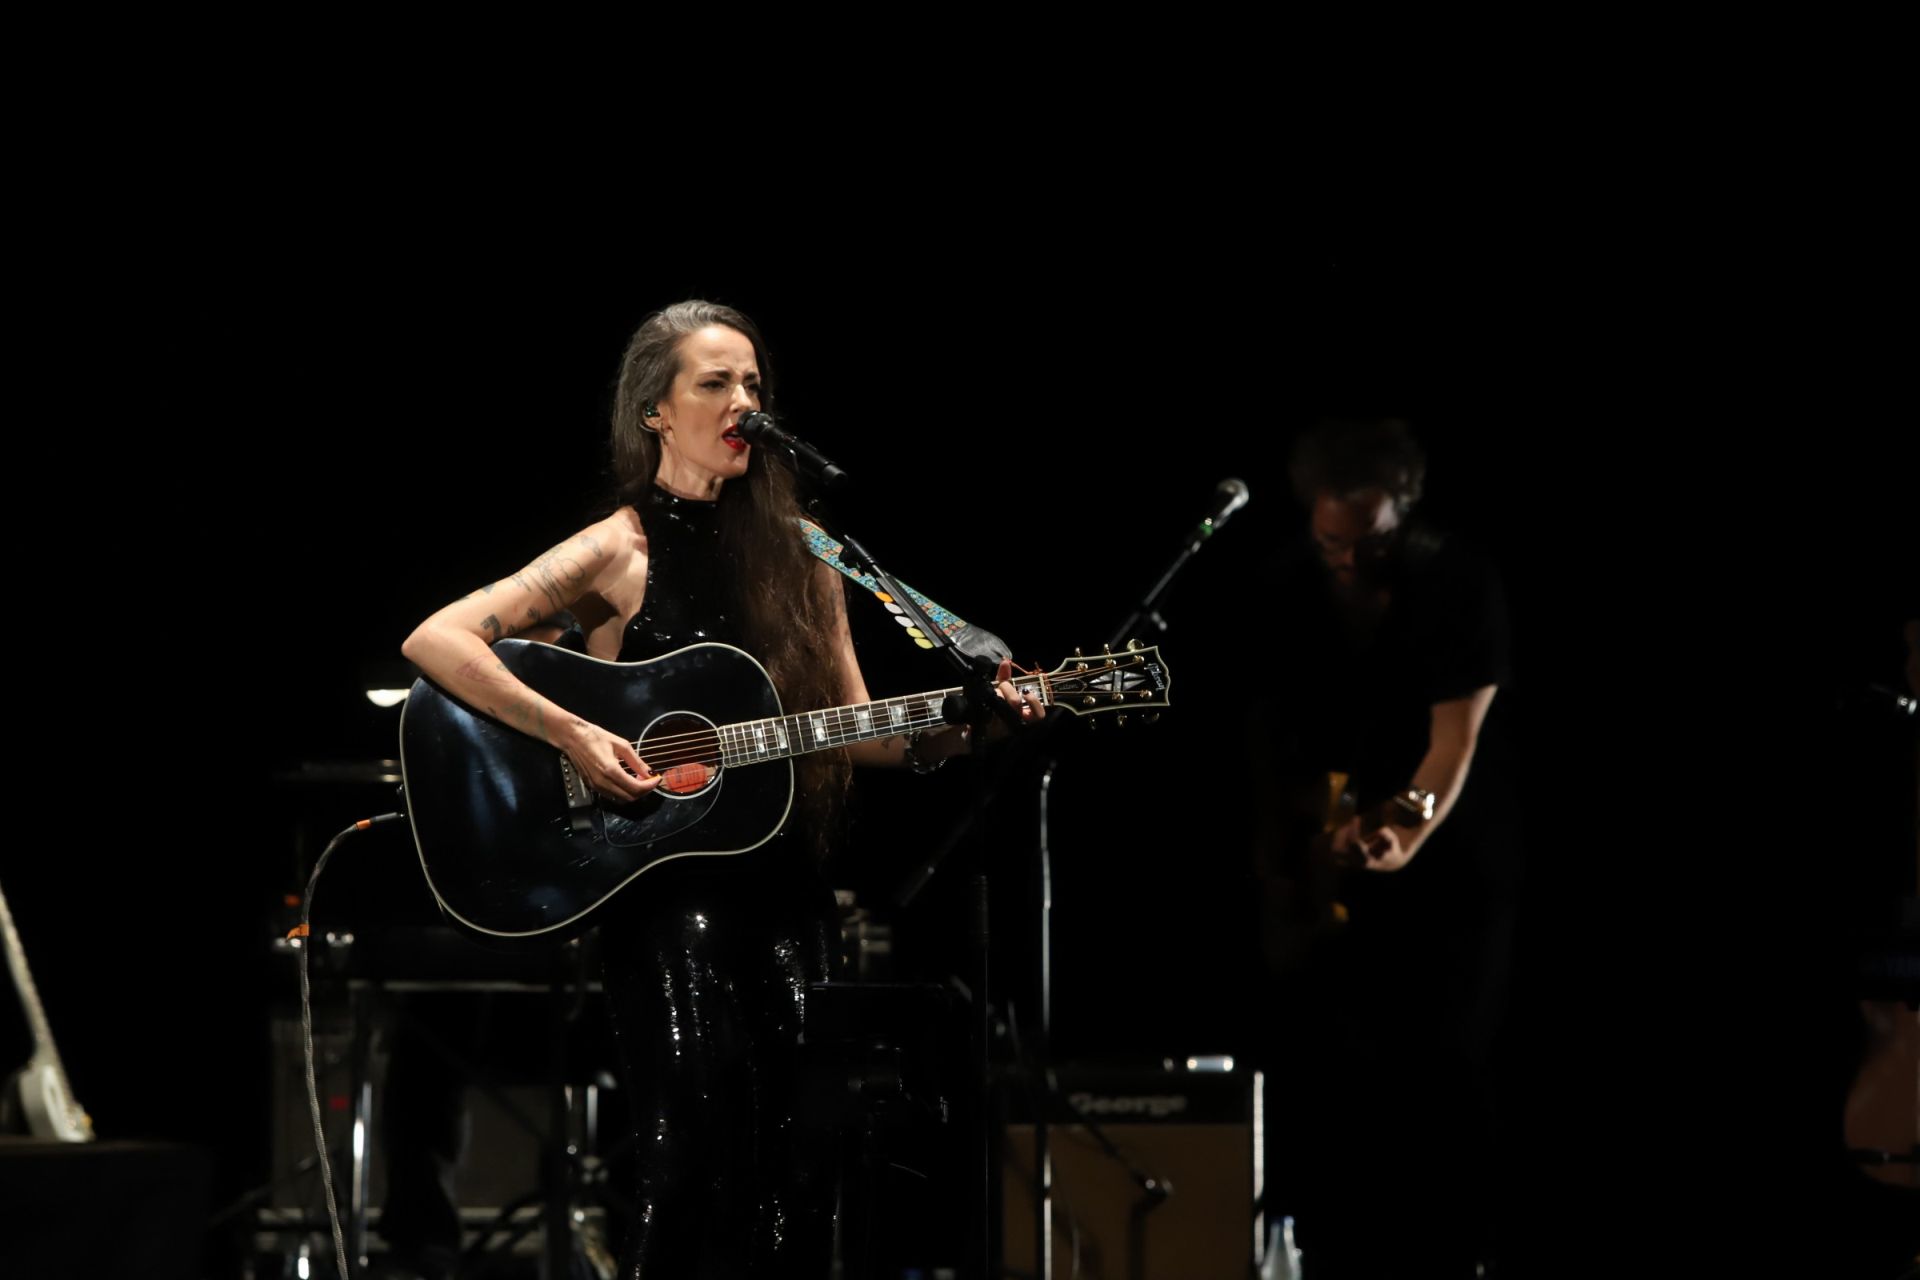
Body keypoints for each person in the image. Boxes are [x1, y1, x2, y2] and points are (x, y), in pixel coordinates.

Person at [397, 300, 1040, 1277]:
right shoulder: (619, 546)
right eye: (715, 383)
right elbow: (436, 638)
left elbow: (859, 728)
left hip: (791, 896)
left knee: (799, 1166)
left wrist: (962, 729)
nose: (743, 401)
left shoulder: (811, 555)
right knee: (690, 1152)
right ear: (655, 408)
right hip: (667, 907)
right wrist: (572, 726)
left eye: (754, 385)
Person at [1248, 419, 1520, 1278]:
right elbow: (1262, 740)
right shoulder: (1287, 583)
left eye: (1370, 542)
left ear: (1404, 514)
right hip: (1318, 874)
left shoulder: (1460, 583)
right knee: (1326, 1087)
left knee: (1443, 1077)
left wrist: (1405, 825)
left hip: (1450, 869)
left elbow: (1453, 743)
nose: (1349, 561)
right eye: (1333, 541)